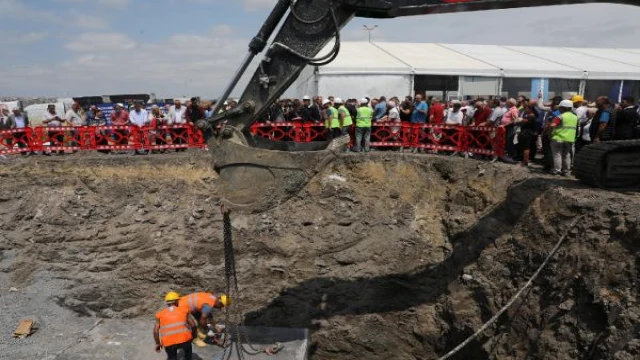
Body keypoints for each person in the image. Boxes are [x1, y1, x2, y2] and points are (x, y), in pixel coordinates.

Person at [154, 291, 197, 360]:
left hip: (168, 342)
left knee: (172, 358)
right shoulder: (184, 310)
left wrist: (158, 344)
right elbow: (193, 325)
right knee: (188, 353)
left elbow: (156, 331)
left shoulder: (160, 314)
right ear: (177, 301)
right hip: (184, 339)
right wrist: (193, 335)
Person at [549, 100, 578, 176]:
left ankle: (557, 170)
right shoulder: (575, 117)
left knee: (557, 154)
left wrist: (550, 132)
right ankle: (566, 171)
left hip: (558, 137)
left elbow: (552, 125)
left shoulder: (560, 116)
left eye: (560, 107)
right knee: (567, 155)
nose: (559, 109)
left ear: (563, 108)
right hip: (569, 139)